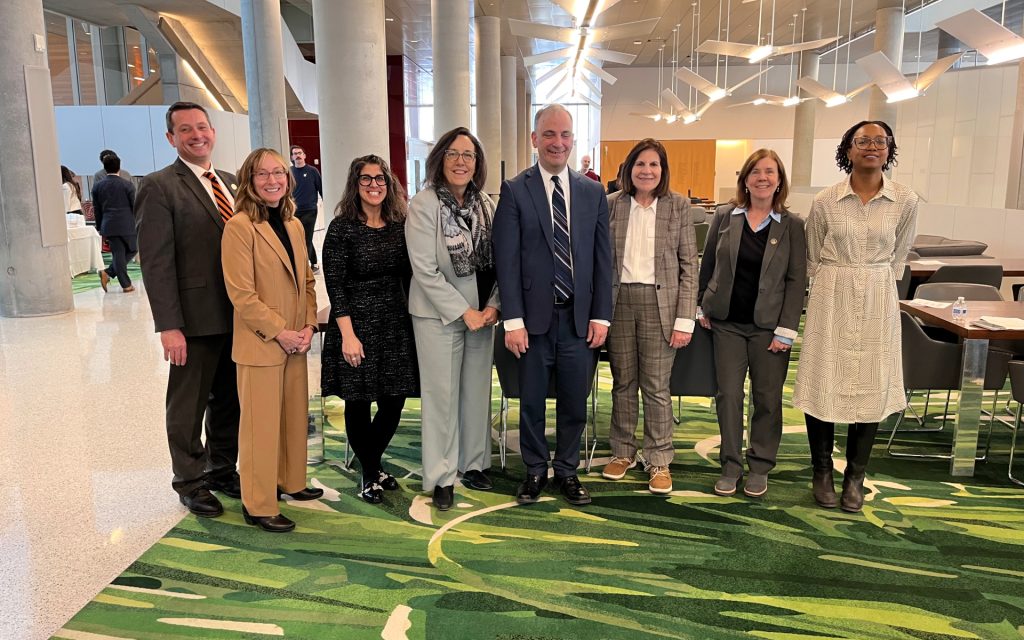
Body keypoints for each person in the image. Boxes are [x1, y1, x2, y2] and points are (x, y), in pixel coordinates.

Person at [793, 121, 918, 513]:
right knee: (824, 382)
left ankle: (855, 478)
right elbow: (812, 255)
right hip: (833, 293)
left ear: (889, 149)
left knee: (871, 384)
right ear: (847, 149)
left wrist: (872, 278)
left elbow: (900, 255)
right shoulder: (827, 200)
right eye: (863, 141)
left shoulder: (905, 200)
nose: (872, 147)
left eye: (880, 141)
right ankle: (822, 471)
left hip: (879, 296)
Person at [493, 103, 613, 506]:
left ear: (572, 140)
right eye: (549, 134)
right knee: (531, 401)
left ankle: (566, 471)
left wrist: (601, 315)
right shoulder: (514, 189)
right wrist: (512, 320)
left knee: (574, 401)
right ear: (535, 139)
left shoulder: (593, 192)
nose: (557, 142)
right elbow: (505, 260)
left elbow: (602, 258)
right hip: (532, 320)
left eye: (564, 135)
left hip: (579, 319)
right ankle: (533, 471)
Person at [137, 102, 241, 518]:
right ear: (171, 138)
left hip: (238, 317)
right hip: (193, 320)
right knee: (187, 405)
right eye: (185, 130)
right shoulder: (159, 186)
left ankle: (221, 469)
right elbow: (155, 261)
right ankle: (190, 481)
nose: (196, 135)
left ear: (213, 131)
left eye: (202, 127)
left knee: (229, 401)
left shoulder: (233, 182)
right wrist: (169, 326)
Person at [697, 149, 807, 498]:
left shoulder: (792, 225)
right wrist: (701, 304)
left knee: (767, 399)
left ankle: (760, 465)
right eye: (755, 171)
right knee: (728, 395)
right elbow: (708, 263)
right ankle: (730, 465)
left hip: (769, 328)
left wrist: (787, 330)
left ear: (779, 181)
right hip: (726, 323)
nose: (762, 177)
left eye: (770, 172)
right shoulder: (726, 217)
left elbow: (796, 280)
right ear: (745, 179)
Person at [221, 148, 320, 533]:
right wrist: (280, 331)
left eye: (279, 172)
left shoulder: (293, 223)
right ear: (250, 179)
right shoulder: (240, 226)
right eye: (263, 174)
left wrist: (308, 327)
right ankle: (258, 503)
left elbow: (308, 282)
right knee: (260, 427)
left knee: (292, 419)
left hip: (296, 340)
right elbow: (241, 293)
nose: (272, 180)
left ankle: (290, 482)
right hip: (263, 342)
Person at [407, 127, 499, 512]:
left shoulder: (486, 205)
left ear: (477, 164)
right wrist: (465, 312)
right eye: (453, 154)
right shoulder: (425, 204)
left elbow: (501, 261)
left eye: (469, 155)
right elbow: (425, 269)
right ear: (439, 160)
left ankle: (473, 462)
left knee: (476, 392)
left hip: (484, 312)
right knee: (442, 397)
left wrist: (494, 304)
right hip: (439, 316)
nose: (461, 162)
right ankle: (442, 475)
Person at [600, 138, 698, 495]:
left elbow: (690, 265)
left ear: (663, 170)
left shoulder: (678, 207)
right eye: (640, 164)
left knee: (656, 386)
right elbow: (598, 262)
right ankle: (623, 451)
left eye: (654, 164)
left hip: (663, 306)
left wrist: (684, 319)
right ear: (628, 169)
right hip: (619, 302)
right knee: (624, 382)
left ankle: (658, 458)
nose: (647, 171)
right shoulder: (610, 204)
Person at [321, 155, 418, 504]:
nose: (374, 185)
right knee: (358, 403)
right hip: (355, 324)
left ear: (389, 185)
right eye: (366, 179)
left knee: (394, 401)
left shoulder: (399, 224)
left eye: (380, 179)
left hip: (394, 324)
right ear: (355, 184)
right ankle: (369, 473)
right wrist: (347, 334)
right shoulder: (341, 228)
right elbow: (335, 284)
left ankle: (371, 464)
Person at [91, 154, 138, 293]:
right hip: (127, 224)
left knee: (119, 253)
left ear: (105, 168)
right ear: (119, 166)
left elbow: (97, 209)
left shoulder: (97, 187)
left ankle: (108, 272)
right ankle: (125, 284)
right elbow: (134, 206)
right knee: (132, 249)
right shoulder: (127, 185)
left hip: (108, 224)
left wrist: (99, 226)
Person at [289, 145, 322, 273]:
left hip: (310, 210)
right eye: (295, 153)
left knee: (306, 238)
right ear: (292, 157)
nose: (297, 155)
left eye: (300, 153)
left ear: (304, 156)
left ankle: (307, 266)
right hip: (294, 211)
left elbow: (320, 187)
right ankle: (311, 262)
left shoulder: (312, 171)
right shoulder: (289, 172)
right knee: (298, 237)